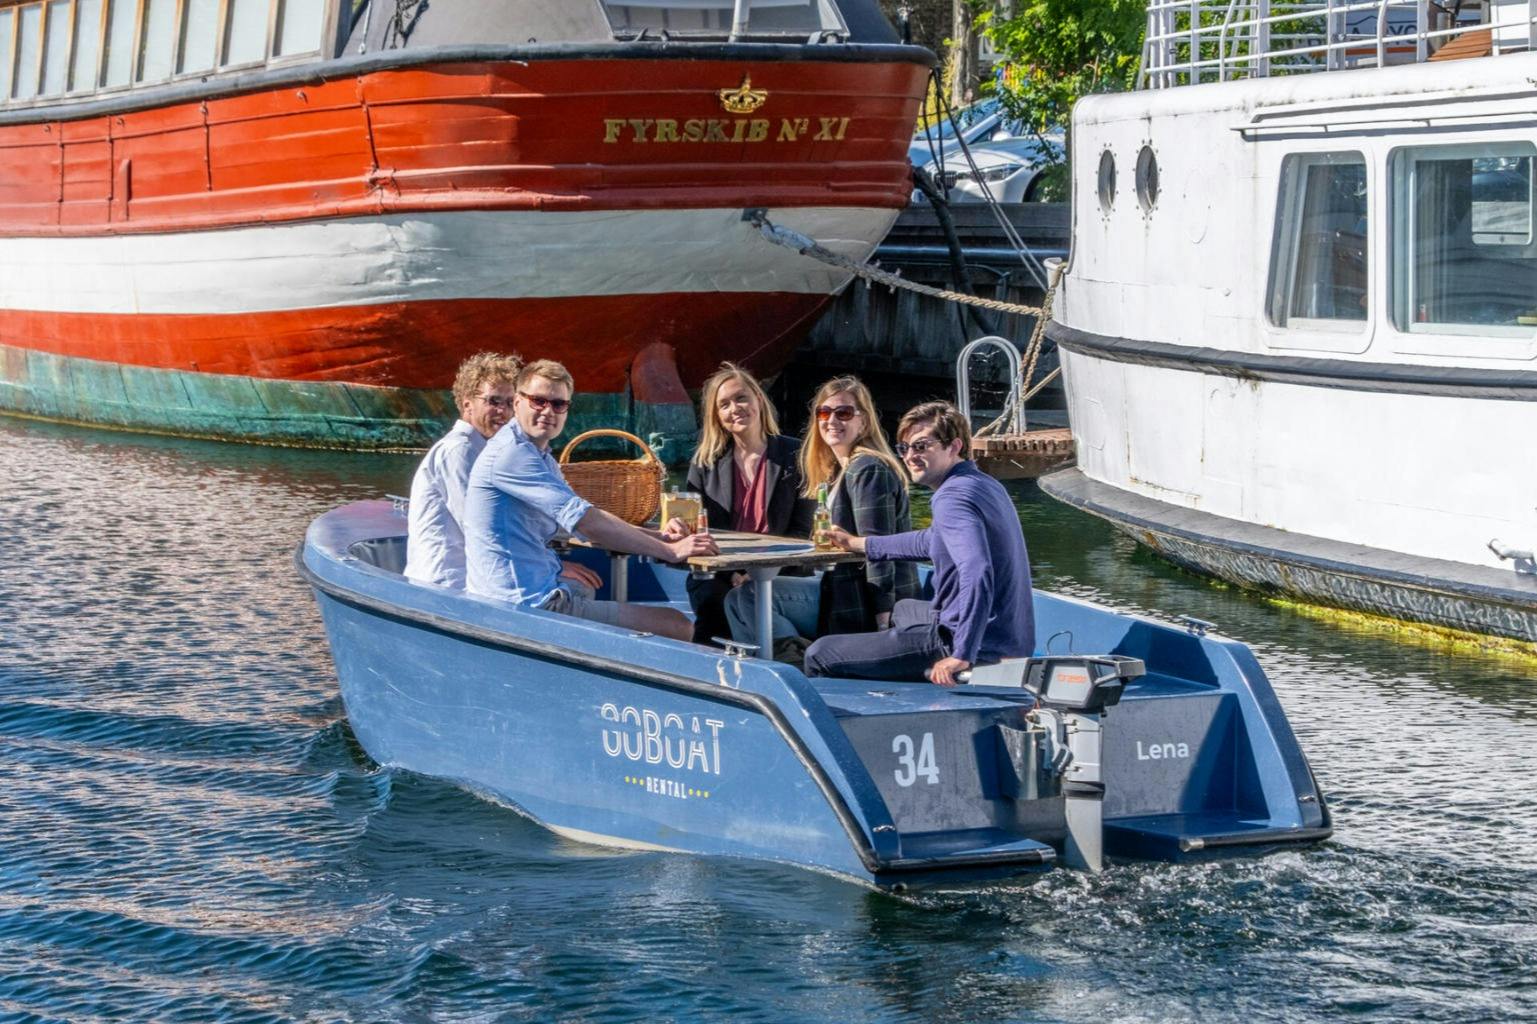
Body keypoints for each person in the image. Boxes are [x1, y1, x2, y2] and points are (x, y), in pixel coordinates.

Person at [463, 359, 717, 640]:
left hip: (523, 595)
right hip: (522, 606)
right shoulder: (512, 455)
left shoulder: (539, 455)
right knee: (677, 624)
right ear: (518, 402)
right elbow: (587, 522)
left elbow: (572, 522)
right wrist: (669, 552)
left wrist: (659, 537)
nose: (548, 411)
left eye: (558, 404)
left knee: (586, 586)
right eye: (538, 401)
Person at [802, 401, 1035, 685]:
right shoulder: (982, 484)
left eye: (922, 446)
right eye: (905, 448)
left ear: (954, 446)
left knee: (819, 653)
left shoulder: (951, 498)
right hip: (1007, 637)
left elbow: (977, 570)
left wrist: (962, 653)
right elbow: (930, 541)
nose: (910, 456)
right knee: (902, 610)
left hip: (966, 644)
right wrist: (858, 543)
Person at [724, 375, 918, 652]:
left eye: (844, 413)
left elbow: (878, 548)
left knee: (750, 596)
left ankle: (796, 665)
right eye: (824, 413)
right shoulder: (838, 472)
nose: (832, 420)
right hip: (836, 587)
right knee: (739, 597)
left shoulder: (867, 469)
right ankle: (784, 661)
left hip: (859, 599)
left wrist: (884, 618)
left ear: (863, 422)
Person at [682, 363, 814, 646]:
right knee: (711, 599)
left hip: (784, 570)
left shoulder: (798, 455)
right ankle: (707, 676)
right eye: (724, 404)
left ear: (758, 399)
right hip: (721, 572)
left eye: (741, 398)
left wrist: (757, 573)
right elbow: (698, 530)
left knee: (755, 597)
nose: (735, 409)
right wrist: (734, 573)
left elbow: (803, 532)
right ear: (716, 416)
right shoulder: (705, 463)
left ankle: (783, 657)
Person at [404, 352, 522, 588]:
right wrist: (553, 565)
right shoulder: (459, 451)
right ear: (468, 403)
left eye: (511, 403)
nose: (504, 412)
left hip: (471, 578)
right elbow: (480, 527)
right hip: (448, 585)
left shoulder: (484, 451)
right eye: (494, 401)